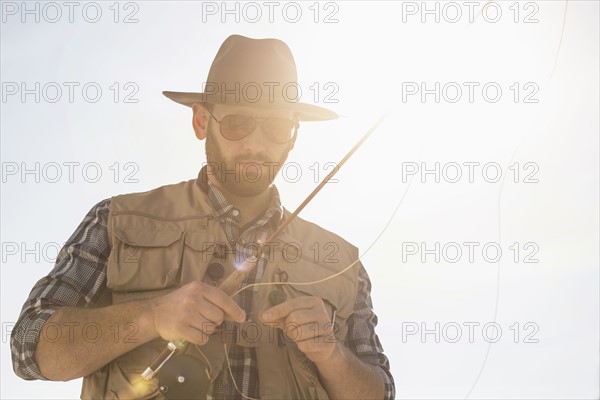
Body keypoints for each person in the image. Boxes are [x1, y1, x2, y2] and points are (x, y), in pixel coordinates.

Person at [11, 34, 395, 400]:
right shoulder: (114, 220)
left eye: (277, 126)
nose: (256, 145)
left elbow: (381, 393)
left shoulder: (343, 262)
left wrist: (332, 355)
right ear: (201, 122)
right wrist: (151, 316)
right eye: (238, 122)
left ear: (293, 136)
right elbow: (29, 348)